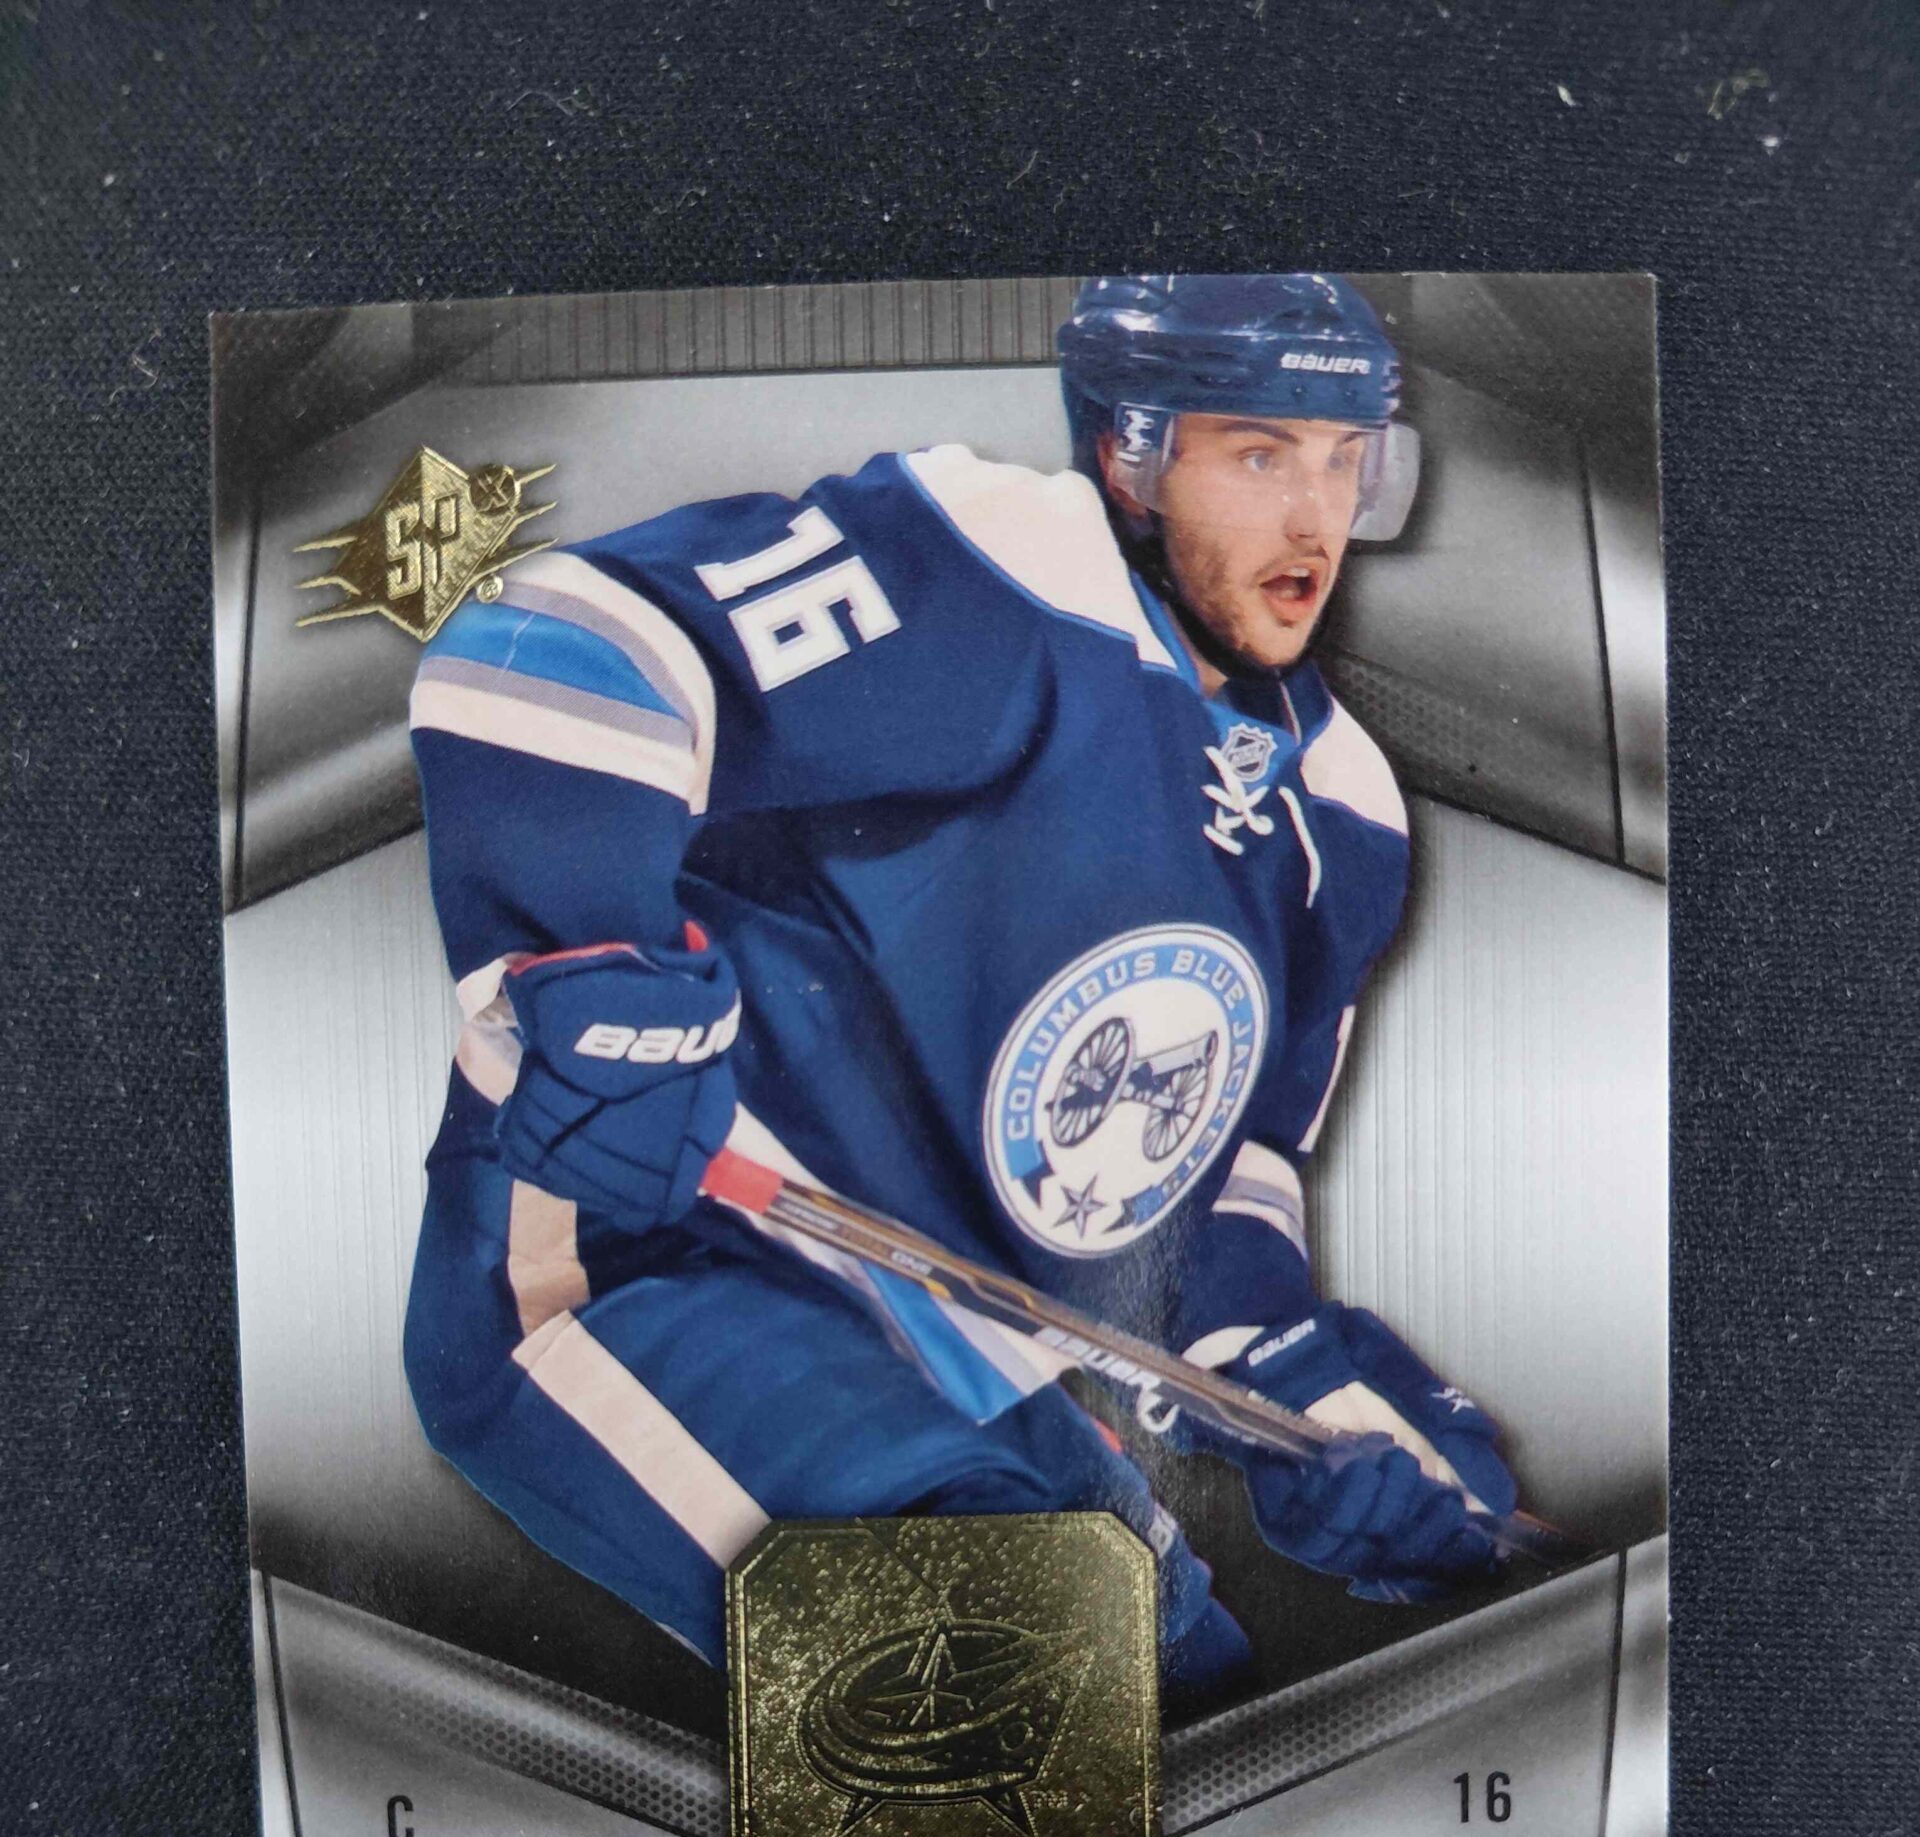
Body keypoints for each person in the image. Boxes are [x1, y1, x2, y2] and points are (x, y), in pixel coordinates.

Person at [403, 272, 1517, 1708]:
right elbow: (558, 651)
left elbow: (1226, 1169)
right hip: (654, 1260)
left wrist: (1302, 1392)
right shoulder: (1004, 567)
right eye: (1259, 455)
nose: (1316, 519)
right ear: (1128, 454)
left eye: (1347, 462)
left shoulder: (1348, 814)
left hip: (959, 1359)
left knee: (1200, 1708)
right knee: (1004, 1665)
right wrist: (596, 976)